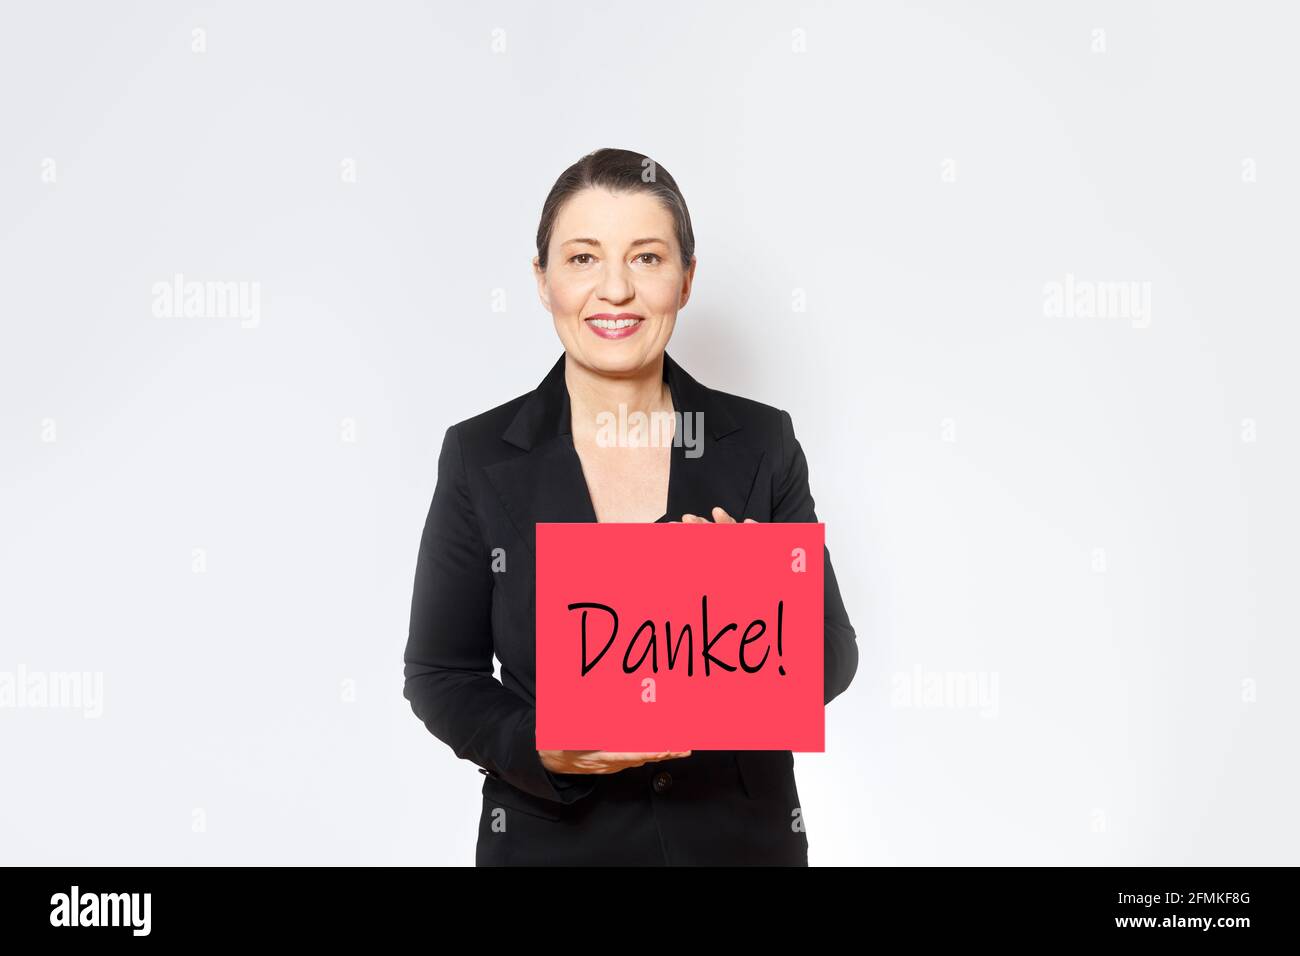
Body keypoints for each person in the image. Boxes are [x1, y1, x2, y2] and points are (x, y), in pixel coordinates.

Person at [403, 148, 858, 865]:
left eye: (646, 258)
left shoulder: (761, 443)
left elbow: (834, 658)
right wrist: (540, 745)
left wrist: (761, 596)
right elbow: (439, 674)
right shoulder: (477, 456)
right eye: (583, 258)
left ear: (686, 279)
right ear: (542, 279)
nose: (614, 290)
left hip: (737, 846)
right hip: (552, 846)